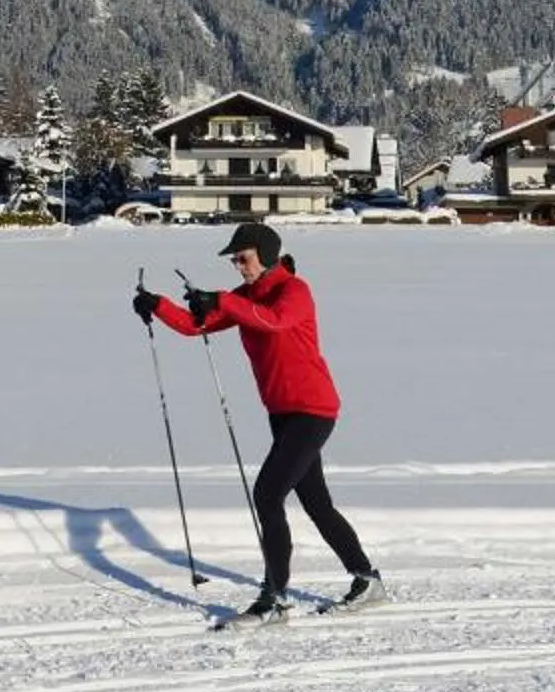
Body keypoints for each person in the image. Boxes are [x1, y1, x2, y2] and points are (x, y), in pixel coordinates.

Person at [132, 220, 382, 623]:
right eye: (235, 259)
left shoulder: (294, 291)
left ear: (265, 256)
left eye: (243, 258)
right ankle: (367, 579)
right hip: (281, 412)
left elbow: (274, 320)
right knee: (316, 503)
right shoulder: (245, 297)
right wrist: (157, 305)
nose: (238, 266)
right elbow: (196, 326)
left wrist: (221, 301)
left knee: (267, 494)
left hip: (313, 410)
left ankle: (276, 597)